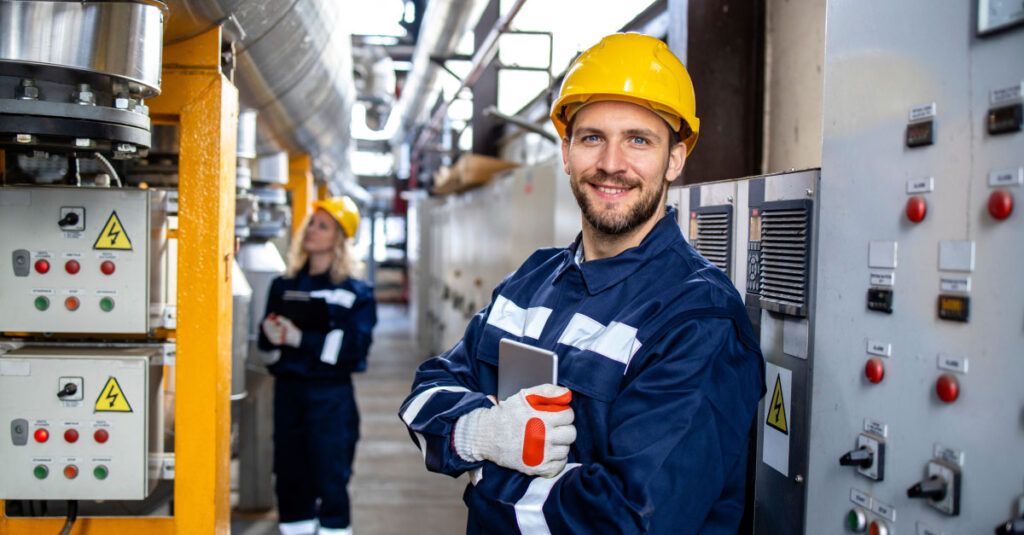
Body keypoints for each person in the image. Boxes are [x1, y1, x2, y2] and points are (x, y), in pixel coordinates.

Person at [399, 33, 765, 534]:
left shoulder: (698, 319)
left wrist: (483, 480)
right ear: (567, 151)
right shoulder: (533, 282)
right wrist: (483, 434)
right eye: (592, 137)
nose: (612, 163)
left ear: (675, 159)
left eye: (639, 139)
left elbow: (628, 519)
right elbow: (424, 396)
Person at [258, 196, 377, 535]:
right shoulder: (284, 284)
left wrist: (301, 340)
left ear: (339, 238)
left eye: (323, 226)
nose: (311, 230)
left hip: (330, 399)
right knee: (290, 478)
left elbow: (354, 350)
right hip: (288, 395)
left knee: (331, 477)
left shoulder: (356, 292)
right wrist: (270, 334)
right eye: (312, 222)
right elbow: (266, 346)